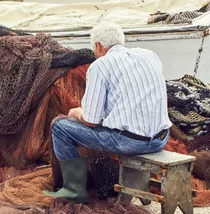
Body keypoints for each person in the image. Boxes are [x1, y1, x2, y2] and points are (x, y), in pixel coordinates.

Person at [43, 22, 172, 203]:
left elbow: (91, 121)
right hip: (160, 139)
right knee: (116, 127)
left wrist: (77, 113)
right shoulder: (149, 55)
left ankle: (74, 192)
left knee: (60, 127)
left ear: (98, 46)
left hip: (132, 143)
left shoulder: (100, 66)